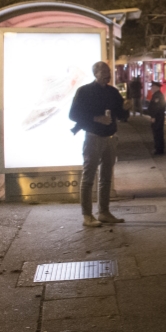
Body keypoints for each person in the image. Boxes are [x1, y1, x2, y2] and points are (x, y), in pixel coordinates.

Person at [69, 61, 129, 227]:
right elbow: (73, 114)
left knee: (106, 178)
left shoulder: (113, 92)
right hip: (93, 137)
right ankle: (87, 215)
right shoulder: (84, 91)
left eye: (108, 71)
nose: (106, 74)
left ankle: (104, 212)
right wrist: (96, 118)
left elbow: (121, 114)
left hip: (110, 138)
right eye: (103, 71)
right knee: (88, 177)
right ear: (95, 74)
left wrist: (126, 108)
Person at [147, 80, 166, 155]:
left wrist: (153, 116)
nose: (151, 89)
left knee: (157, 133)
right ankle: (158, 149)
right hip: (158, 117)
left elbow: (157, 107)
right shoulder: (157, 95)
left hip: (158, 118)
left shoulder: (157, 96)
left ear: (156, 87)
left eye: (152, 87)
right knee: (157, 133)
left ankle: (159, 149)